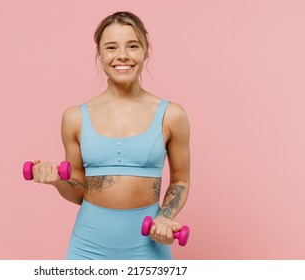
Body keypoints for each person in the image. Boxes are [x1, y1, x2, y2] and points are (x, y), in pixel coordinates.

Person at [32, 11, 190, 260]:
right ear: (100, 54)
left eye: (133, 46)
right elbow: (78, 190)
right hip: (87, 249)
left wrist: (165, 216)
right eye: (111, 47)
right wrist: (57, 181)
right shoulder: (75, 118)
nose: (122, 55)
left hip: (147, 248)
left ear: (146, 50)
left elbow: (180, 180)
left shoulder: (171, 115)